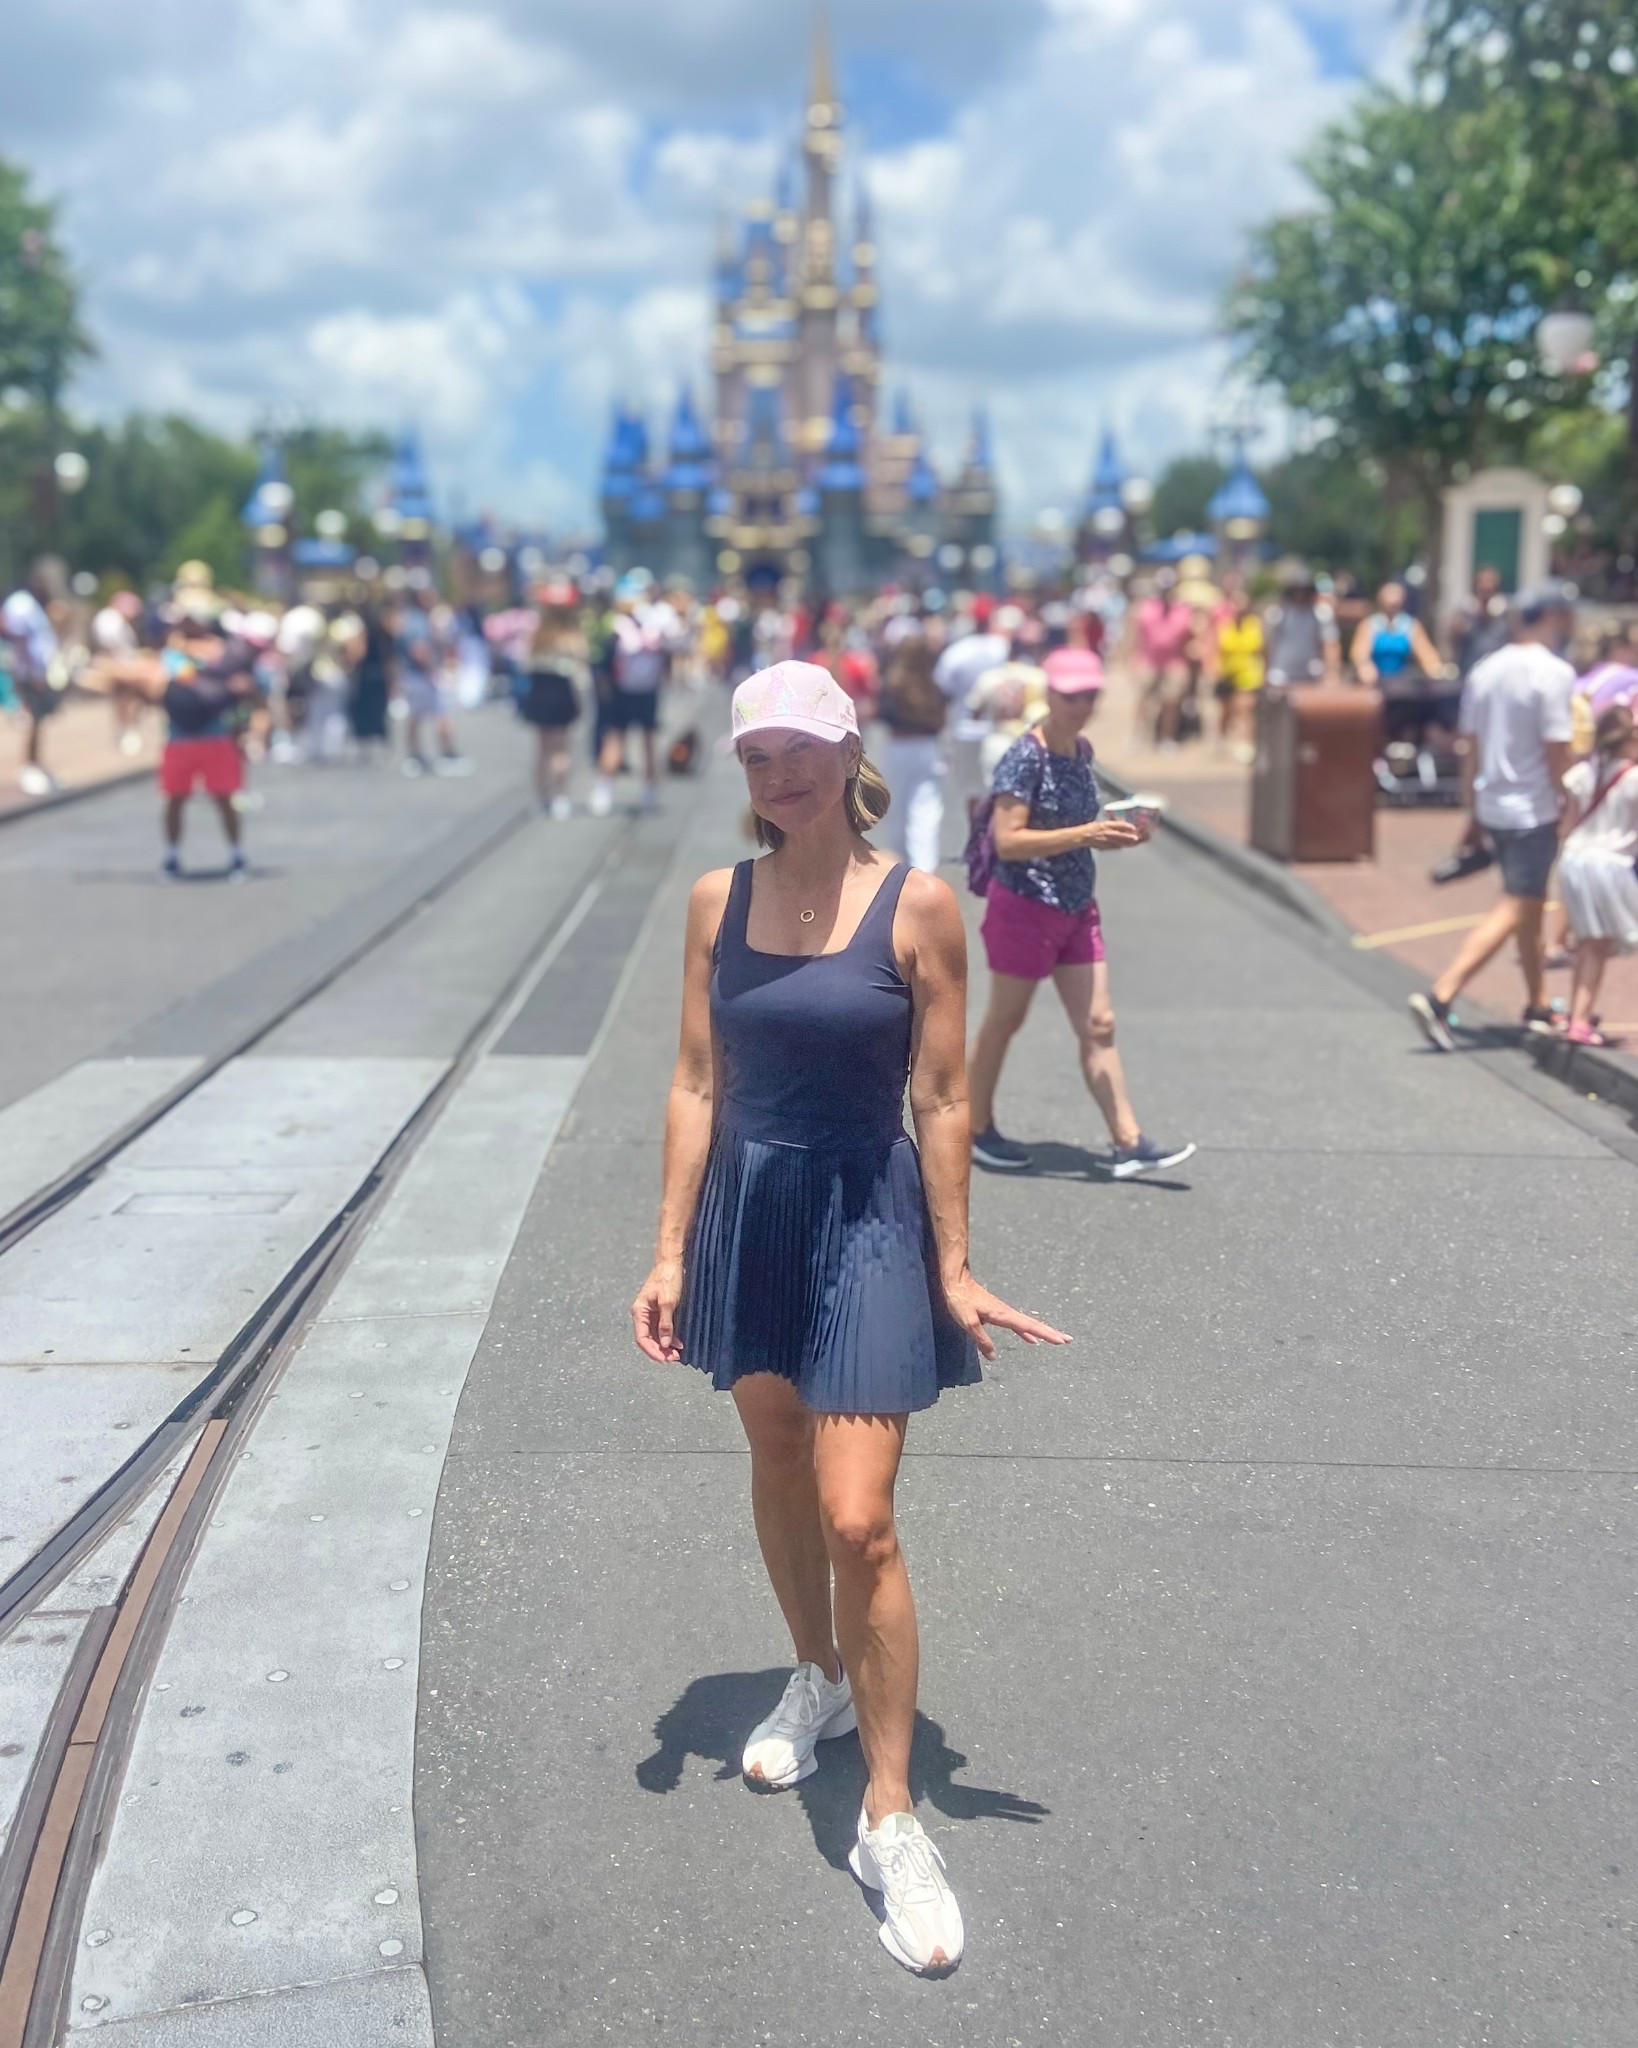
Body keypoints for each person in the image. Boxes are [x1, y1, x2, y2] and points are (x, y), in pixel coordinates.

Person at [632, 660, 1067, 1978]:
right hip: (748, 1212)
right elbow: (697, 1082)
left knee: (858, 1518)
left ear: (845, 753)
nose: (777, 775)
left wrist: (953, 1263)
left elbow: (939, 1102)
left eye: (798, 750)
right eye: (754, 756)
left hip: (864, 1213)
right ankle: (813, 1674)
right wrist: (663, 1251)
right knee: (773, 1456)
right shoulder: (718, 900)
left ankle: (891, 1814)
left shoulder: (916, 902)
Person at [966, 648, 1197, 1178]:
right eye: (1072, 695)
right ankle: (975, 1128)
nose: (1082, 705)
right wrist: (1087, 835)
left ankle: (1128, 1140)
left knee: (1099, 1023)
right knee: (1005, 1020)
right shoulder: (1026, 756)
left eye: (1090, 694)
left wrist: (1118, 831)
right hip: (1024, 905)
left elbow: (1078, 827)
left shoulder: (1082, 750)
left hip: (1075, 905)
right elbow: (1008, 841)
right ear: (1049, 695)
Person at [1409, 585, 1578, 1049]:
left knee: (1527, 905)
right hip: (1533, 806)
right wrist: (1569, 798)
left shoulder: (1486, 669)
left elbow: (1471, 747)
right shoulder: (1554, 673)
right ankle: (1442, 994)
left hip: (1495, 802)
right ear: (1553, 619)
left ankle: (1538, 1000)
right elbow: (1556, 747)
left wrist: (1473, 806)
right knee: (1518, 904)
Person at [1555, 704, 1638, 1046]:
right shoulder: (1633, 778)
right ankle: (1579, 1020)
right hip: (1609, 864)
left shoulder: (1583, 773)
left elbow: (1568, 822)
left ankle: (1578, 1011)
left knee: (1587, 941)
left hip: (1574, 858)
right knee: (1597, 946)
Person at [154, 613, 258, 880]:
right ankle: (172, 856)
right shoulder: (173, 656)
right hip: (180, 737)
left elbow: (242, 683)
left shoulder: (222, 651)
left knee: (224, 797)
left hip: (215, 736)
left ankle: (236, 855)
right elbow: (171, 678)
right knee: (175, 798)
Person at [592, 581, 674, 815]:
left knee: (616, 739)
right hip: (647, 692)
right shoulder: (655, 625)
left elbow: (602, 663)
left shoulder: (615, 627)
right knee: (647, 742)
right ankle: (649, 792)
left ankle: (603, 790)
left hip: (622, 692)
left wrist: (604, 692)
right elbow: (666, 657)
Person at [878, 625, 949, 873]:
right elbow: (942, 718)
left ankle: (900, 863)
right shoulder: (933, 682)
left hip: (899, 745)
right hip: (928, 747)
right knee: (926, 809)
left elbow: (884, 714)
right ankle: (925, 866)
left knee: (896, 809)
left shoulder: (893, 681)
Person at [516, 584, 586, 816]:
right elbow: (580, 671)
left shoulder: (536, 635)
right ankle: (560, 797)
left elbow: (523, 663)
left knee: (542, 749)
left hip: (540, 690)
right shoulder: (573, 636)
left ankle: (541, 798)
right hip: (561, 691)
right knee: (561, 749)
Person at [1, 561, 64, 796]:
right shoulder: (22, 604)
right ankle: (28, 766)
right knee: (34, 719)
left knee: (39, 720)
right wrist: (34, 673)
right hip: (31, 673)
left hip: (35, 671)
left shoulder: (30, 605)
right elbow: (20, 640)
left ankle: (35, 763)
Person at [392, 594, 469, 777]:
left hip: (415, 675)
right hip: (422, 675)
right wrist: (433, 669)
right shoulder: (417, 620)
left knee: (416, 717)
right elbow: (419, 650)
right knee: (440, 715)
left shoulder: (412, 617)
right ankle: (445, 754)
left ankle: (415, 755)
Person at [1264, 575, 1339, 688]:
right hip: (1281, 671)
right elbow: (1267, 645)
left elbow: (1330, 644)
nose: (1301, 594)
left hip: (1311, 671)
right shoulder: (1276, 614)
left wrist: (1332, 674)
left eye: (1305, 590)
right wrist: (1264, 671)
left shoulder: (1321, 613)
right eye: (1297, 590)